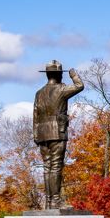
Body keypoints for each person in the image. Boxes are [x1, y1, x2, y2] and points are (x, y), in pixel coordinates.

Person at [33, 60, 84, 209]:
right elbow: (79, 86)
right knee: (55, 166)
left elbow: (35, 115)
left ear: (47, 74)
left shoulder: (39, 93)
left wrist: (36, 135)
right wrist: (74, 75)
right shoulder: (61, 89)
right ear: (60, 74)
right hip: (57, 132)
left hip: (42, 134)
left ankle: (49, 202)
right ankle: (55, 200)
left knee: (47, 167)